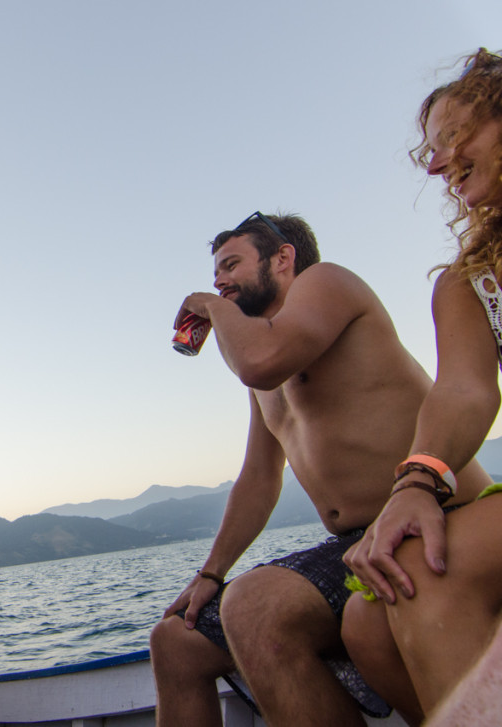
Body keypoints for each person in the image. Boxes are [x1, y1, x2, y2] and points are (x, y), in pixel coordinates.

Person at [149, 212, 490, 727]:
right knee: (176, 640)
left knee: (256, 605)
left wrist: (209, 306)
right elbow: (260, 479)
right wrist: (210, 573)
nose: (219, 281)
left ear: (283, 258)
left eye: (231, 265)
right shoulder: (263, 361)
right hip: (352, 544)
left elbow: (258, 359)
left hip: (439, 510)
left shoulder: (326, 283)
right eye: (216, 274)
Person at [342, 47, 502, 724]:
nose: (436, 164)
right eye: (431, 152)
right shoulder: (470, 282)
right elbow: (465, 391)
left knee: (436, 572)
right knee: (370, 614)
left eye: (450, 139)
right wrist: (415, 484)